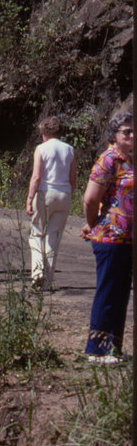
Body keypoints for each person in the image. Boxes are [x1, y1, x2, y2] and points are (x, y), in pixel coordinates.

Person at [81, 112, 133, 363]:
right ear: (114, 134)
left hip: (128, 239)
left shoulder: (130, 161)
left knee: (121, 293)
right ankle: (96, 349)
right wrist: (92, 224)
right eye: (127, 131)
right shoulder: (108, 159)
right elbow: (91, 199)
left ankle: (113, 348)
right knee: (108, 291)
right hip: (109, 237)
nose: (132, 135)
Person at [25, 117, 77, 288]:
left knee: (37, 233)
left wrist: (30, 198)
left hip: (45, 193)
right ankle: (47, 281)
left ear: (44, 132)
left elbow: (37, 176)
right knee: (53, 236)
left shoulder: (41, 148)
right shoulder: (69, 149)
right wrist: (70, 194)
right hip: (64, 194)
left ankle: (38, 272)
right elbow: (73, 178)